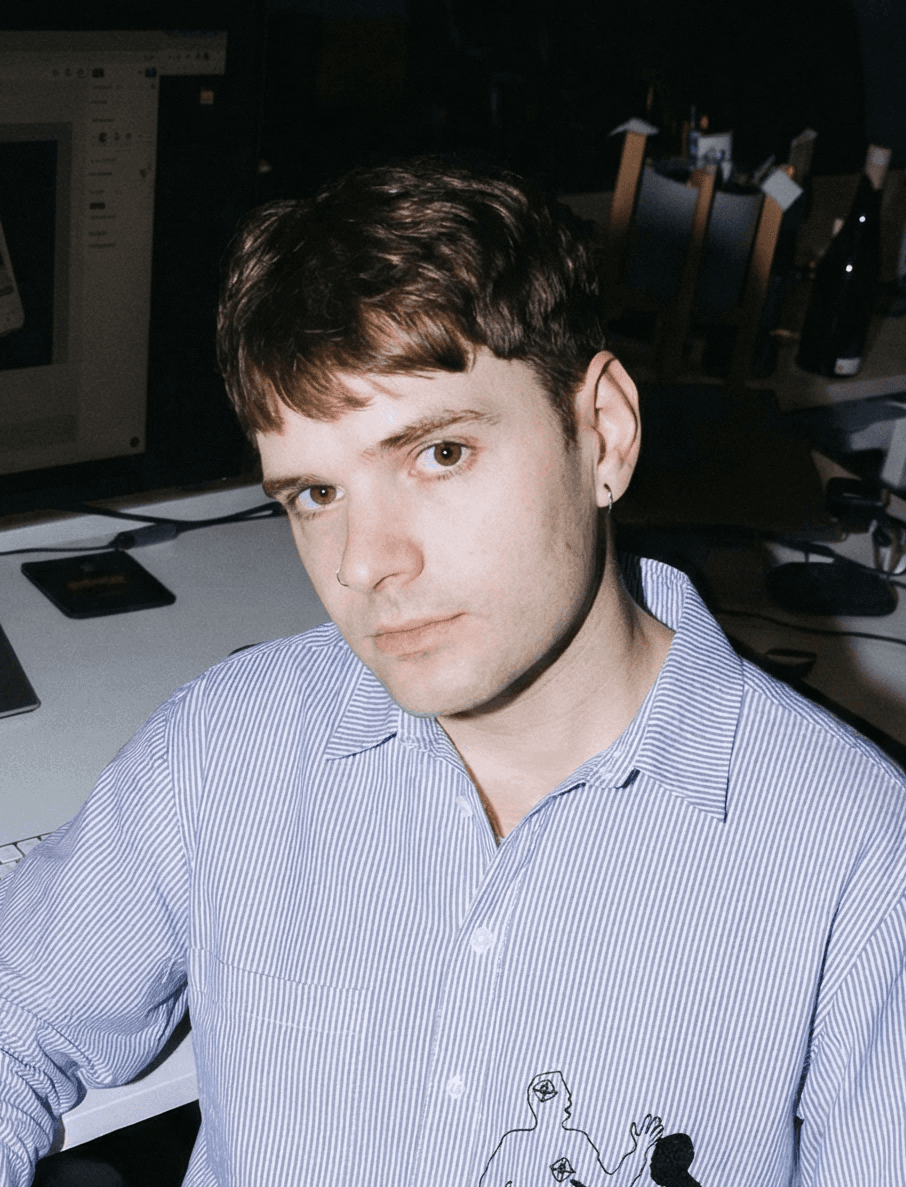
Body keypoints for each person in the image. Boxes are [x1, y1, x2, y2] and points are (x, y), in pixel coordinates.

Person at [0, 158, 904, 1186]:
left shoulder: (858, 869)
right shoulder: (222, 752)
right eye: (312, 493)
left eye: (438, 455)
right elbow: (15, 1016)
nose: (364, 561)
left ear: (602, 431)